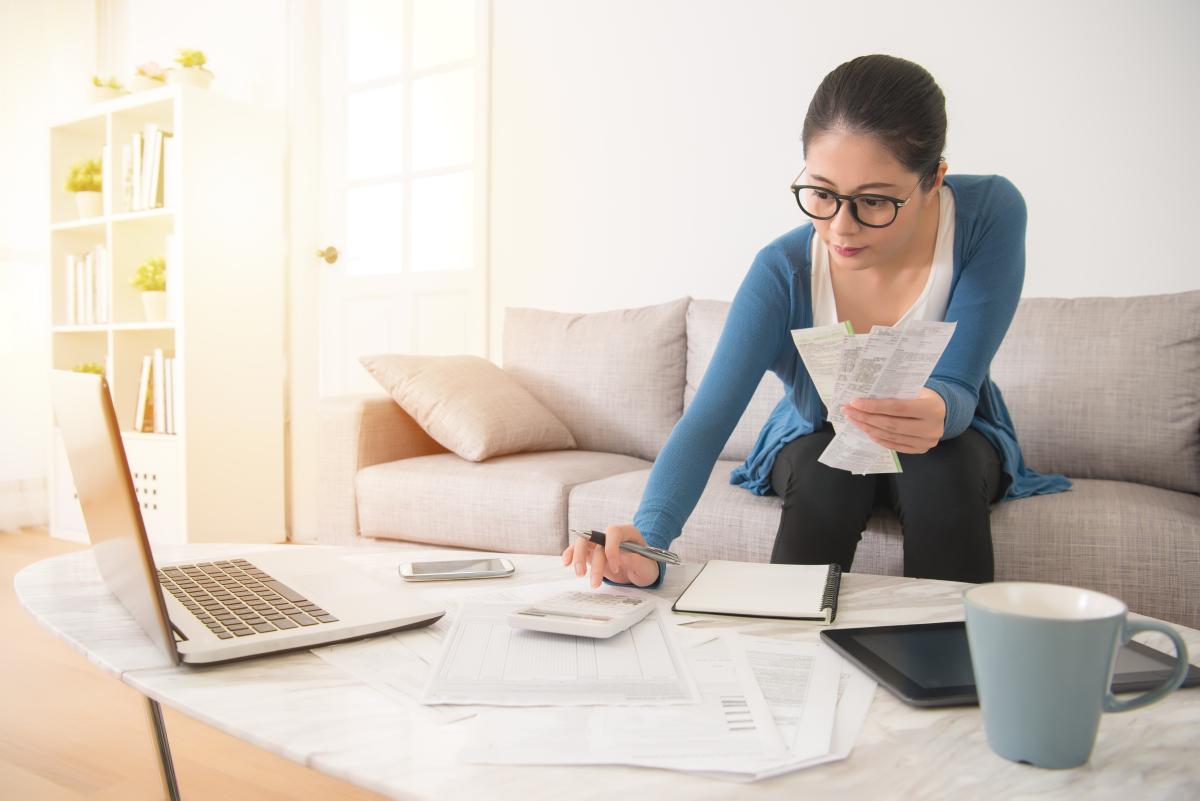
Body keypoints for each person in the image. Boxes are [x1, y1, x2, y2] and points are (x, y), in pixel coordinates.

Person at [564, 53, 1071, 590]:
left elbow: (961, 383)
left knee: (941, 473)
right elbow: (709, 417)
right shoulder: (782, 271)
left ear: (934, 179)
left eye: (875, 201)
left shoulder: (988, 214)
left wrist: (937, 407)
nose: (841, 229)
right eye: (823, 193)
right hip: (818, 435)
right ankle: (787, 658)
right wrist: (650, 540)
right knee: (828, 476)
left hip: (949, 437)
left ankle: (948, 663)